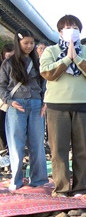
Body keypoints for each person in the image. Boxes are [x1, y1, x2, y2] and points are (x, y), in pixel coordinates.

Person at [40, 14, 86, 197]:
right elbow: (47, 72)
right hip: (56, 106)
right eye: (67, 27)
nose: (71, 31)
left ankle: (80, 187)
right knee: (58, 149)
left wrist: (78, 59)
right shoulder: (50, 51)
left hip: (83, 105)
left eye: (74, 27)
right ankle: (61, 188)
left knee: (82, 149)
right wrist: (67, 59)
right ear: (59, 31)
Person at [0, 28, 49, 192]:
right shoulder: (8, 63)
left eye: (32, 43)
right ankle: (16, 179)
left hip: (36, 104)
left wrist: (45, 102)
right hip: (17, 104)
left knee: (37, 143)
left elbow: (45, 84)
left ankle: (39, 179)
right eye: (26, 43)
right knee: (16, 144)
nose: (29, 46)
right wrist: (9, 101)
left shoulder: (38, 62)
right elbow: (1, 85)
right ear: (18, 42)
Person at [0, 43, 15, 167]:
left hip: (14, 101)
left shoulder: (20, 67)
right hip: (3, 100)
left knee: (10, 127)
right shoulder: (2, 66)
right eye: (7, 56)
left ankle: (10, 152)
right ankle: (4, 150)